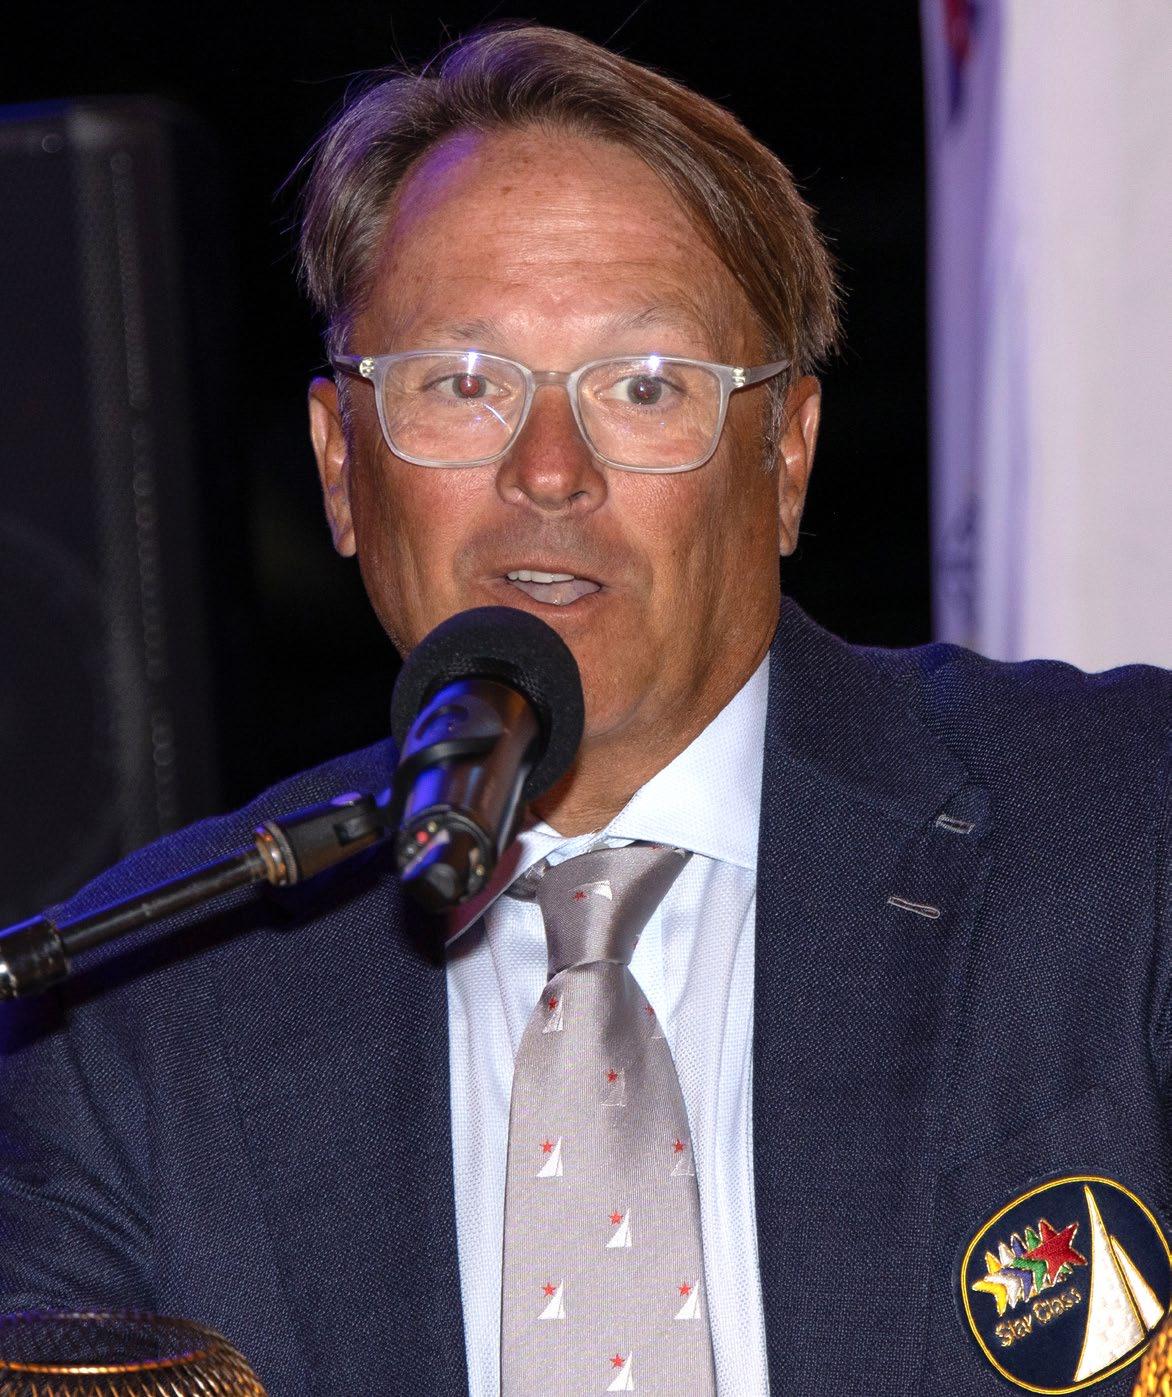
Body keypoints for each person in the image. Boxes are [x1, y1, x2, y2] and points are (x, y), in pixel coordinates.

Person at [1, 23, 1169, 1397]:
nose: (549, 470)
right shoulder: (134, 1012)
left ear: (786, 459)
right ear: (339, 467)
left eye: (645, 387)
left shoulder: (1123, 834)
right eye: (462, 384)